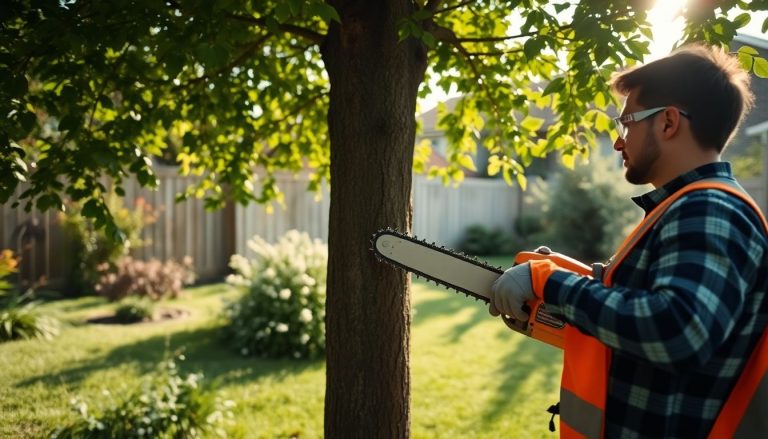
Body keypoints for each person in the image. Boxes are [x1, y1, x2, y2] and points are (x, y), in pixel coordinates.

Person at [489, 44, 767, 439]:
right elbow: (652, 318)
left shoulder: (709, 208)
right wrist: (573, 293)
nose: (619, 142)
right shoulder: (689, 206)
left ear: (668, 122)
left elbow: (678, 330)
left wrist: (550, 282)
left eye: (627, 123)